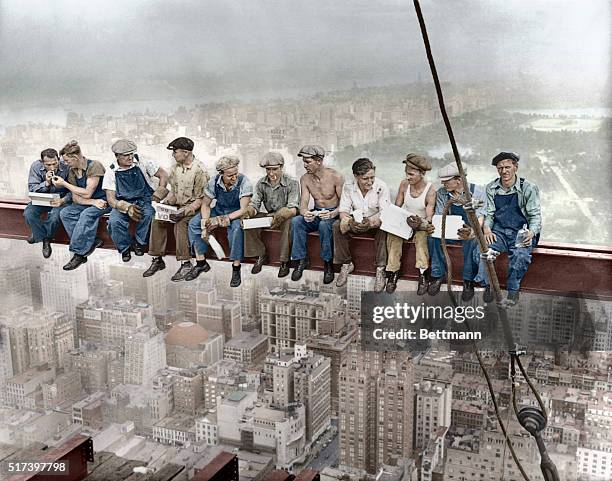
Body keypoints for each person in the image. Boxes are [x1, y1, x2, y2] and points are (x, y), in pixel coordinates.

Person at [143, 137, 209, 281]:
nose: (173, 154)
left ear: (186, 152)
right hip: (177, 206)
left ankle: (185, 263)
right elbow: (173, 192)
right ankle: (157, 259)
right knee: (158, 219)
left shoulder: (200, 171)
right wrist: (166, 204)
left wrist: (184, 211)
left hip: (193, 209)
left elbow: (201, 200)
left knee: (181, 224)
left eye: (175, 151)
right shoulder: (175, 168)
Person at [483, 151, 542, 304]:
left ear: (515, 167)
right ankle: (488, 285)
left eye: (507, 167)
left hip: (521, 232)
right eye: (500, 168)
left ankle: (513, 289)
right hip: (499, 231)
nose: (504, 171)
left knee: (521, 255)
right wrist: (487, 229)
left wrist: (532, 231)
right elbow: (489, 214)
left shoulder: (528, 188)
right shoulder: (491, 188)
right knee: (483, 251)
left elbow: (535, 216)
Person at [187, 155, 253, 287]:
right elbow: (206, 205)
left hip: (235, 213)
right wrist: (205, 223)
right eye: (230, 175)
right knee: (194, 223)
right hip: (219, 209)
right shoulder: (214, 182)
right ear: (221, 173)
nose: (234, 178)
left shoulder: (244, 182)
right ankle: (201, 262)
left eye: (235, 174)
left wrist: (222, 220)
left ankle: (236, 268)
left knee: (236, 229)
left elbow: (243, 209)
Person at [427, 162, 488, 301]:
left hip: (469, 231)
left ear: (459, 180)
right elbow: (439, 216)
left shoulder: (478, 192)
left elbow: (480, 219)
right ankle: (438, 274)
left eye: (446, 181)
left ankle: (468, 280)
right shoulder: (443, 193)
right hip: (449, 230)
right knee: (432, 238)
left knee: (472, 241)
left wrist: (472, 232)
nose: (443, 184)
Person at [103, 139, 169, 262]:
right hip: (123, 202)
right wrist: (126, 207)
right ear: (117, 156)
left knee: (149, 215)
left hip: (144, 199)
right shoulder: (111, 171)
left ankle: (140, 243)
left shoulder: (142, 161)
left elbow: (163, 174)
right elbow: (111, 199)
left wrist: (160, 190)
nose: (130, 157)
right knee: (114, 221)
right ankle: (124, 248)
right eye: (126, 155)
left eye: (131, 154)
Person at [333, 158, 390, 290]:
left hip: (375, 222)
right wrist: (350, 222)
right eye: (365, 178)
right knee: (337, 226)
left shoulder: (381, 186)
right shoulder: (348, 187)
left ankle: (380, 269)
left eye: (372, 178)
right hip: (357, 221)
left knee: (384, 227)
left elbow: (385, 212)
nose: (370, 182)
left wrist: (370, 223)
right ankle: (346, 264)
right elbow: (343, 211)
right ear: (356, 176)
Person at [290, 145, 344, 284]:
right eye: (304, 161)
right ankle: (301, 260)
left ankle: (328, 264)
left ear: (319, 161)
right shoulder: (305, 179)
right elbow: (303, 203)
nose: (304, 165)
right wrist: (305, 213)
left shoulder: (336, 177)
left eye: (308, 161)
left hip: (333, 213)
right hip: (316, 212)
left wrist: (333, 214)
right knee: (297, 221)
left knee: (324, 225)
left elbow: (345, 204)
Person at [54, 140, 110, 270]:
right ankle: (91, 241)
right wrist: (92, 202)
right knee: (66, 213)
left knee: (86, 214)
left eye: (67, 161)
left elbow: (87, 193)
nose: (66, 163)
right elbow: (75, 197)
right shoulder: (72, 171)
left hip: (105, 201)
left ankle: (78, 254)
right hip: (92, 202)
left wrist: (64, 184)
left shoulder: (94, 166)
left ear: (75, 157)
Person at [385, 154, 436, 294]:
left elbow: (429, 216)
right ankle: (393, 272)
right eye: (406, 173)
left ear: (422, 173)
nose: (408, 177)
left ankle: (422, 273)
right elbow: (397, 206)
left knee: (421, 239)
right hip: (405, 220)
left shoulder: (430, 190)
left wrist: (420, 223)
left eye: (411, 174)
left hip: (420, 223)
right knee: (393, 236)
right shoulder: (404, 184)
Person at [242, 152, 299, 277]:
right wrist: (249, 211)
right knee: (248, 222)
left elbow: (293, 207)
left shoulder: (292, 182)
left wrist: (280, 216)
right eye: (268, 170)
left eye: (275, 169)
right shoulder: (261, 183)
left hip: (286, 216)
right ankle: (261, 254)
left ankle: (284, 261)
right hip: (270, 216)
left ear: (281, 167)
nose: (271, 173)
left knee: (289, 223)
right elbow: (255, 203)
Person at [24, 148, 70, 258]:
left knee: (54, 217)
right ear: (42, 162)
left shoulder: (67, 166)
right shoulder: (35, 166)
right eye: (48, 165)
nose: (52, 167)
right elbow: (32, 188)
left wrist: (63, 199)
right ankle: (44, 237)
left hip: (60, 199)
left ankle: (41, 237)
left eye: (55, 163)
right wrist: (47, 183)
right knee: (28, 214)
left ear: (59, 160)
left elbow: (73, 190)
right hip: (42, 198)